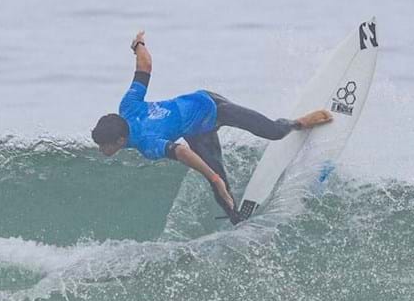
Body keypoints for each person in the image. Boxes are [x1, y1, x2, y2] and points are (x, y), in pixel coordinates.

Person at [91, 31, 333, 224]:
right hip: (199, 132)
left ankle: (298, 123)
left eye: (104, 146)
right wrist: (138, 46)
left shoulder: (146, 143)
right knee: (223, 195)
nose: (102, 150)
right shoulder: (127, 106)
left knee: (273, 132)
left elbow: (183, 153)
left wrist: (214, 177)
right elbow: (144, 67)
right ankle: (238, 222)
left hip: (211, 104)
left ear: (121, 140)